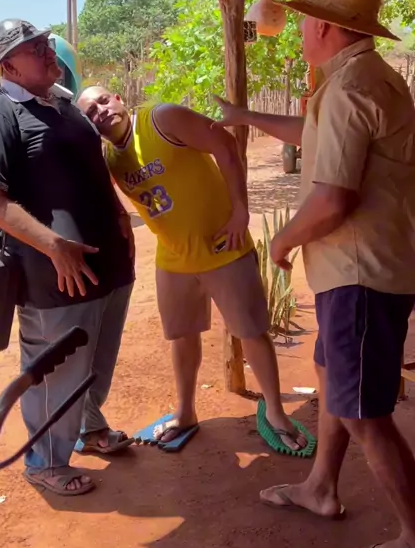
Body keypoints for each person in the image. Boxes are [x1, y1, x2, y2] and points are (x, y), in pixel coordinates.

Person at [215, 0, 415, 548]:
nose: (300, 30)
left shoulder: (351, 88)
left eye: (305, 21)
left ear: (326, 27)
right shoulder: (364, 79)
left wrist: (282, 241)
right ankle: (321, 486)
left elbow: (333, 199)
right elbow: (314, 135)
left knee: (363, 412)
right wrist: (245, 116)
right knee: (333, 379)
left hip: (360, 277)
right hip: (366, 269)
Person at [77, 85, 309, 454]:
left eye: (103, 101)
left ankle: (276, 413)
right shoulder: (111, 158)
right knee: (182, 337)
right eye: (90, 112)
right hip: (173, 258)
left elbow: (225, 145)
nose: (101, 111)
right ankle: (186, 412)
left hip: (223, 247)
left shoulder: (162, 118)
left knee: (251, 332)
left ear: (118, 98)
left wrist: (241, 211)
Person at [0, 20, 135, 497]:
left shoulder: (64, 105)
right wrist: (55, 245)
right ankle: (44, 462)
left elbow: (93, 169)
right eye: (32, 48)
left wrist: (119, 215)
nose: (45, 51)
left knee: (98, 357)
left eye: (44, 42)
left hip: (108, 264)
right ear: (7, 67)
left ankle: (89, 428)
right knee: (54, 371)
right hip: (55, 276)